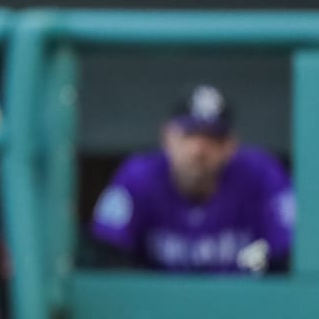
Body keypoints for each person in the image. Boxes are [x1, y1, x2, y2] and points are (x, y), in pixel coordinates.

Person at [89, 84, 294, 273]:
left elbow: (290, 252)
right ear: (167, 137)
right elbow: (107, 251)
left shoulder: (260, 174)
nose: (199, 149)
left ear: (230, 146)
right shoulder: (139, 176)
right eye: (189, 134)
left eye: (213, 138)